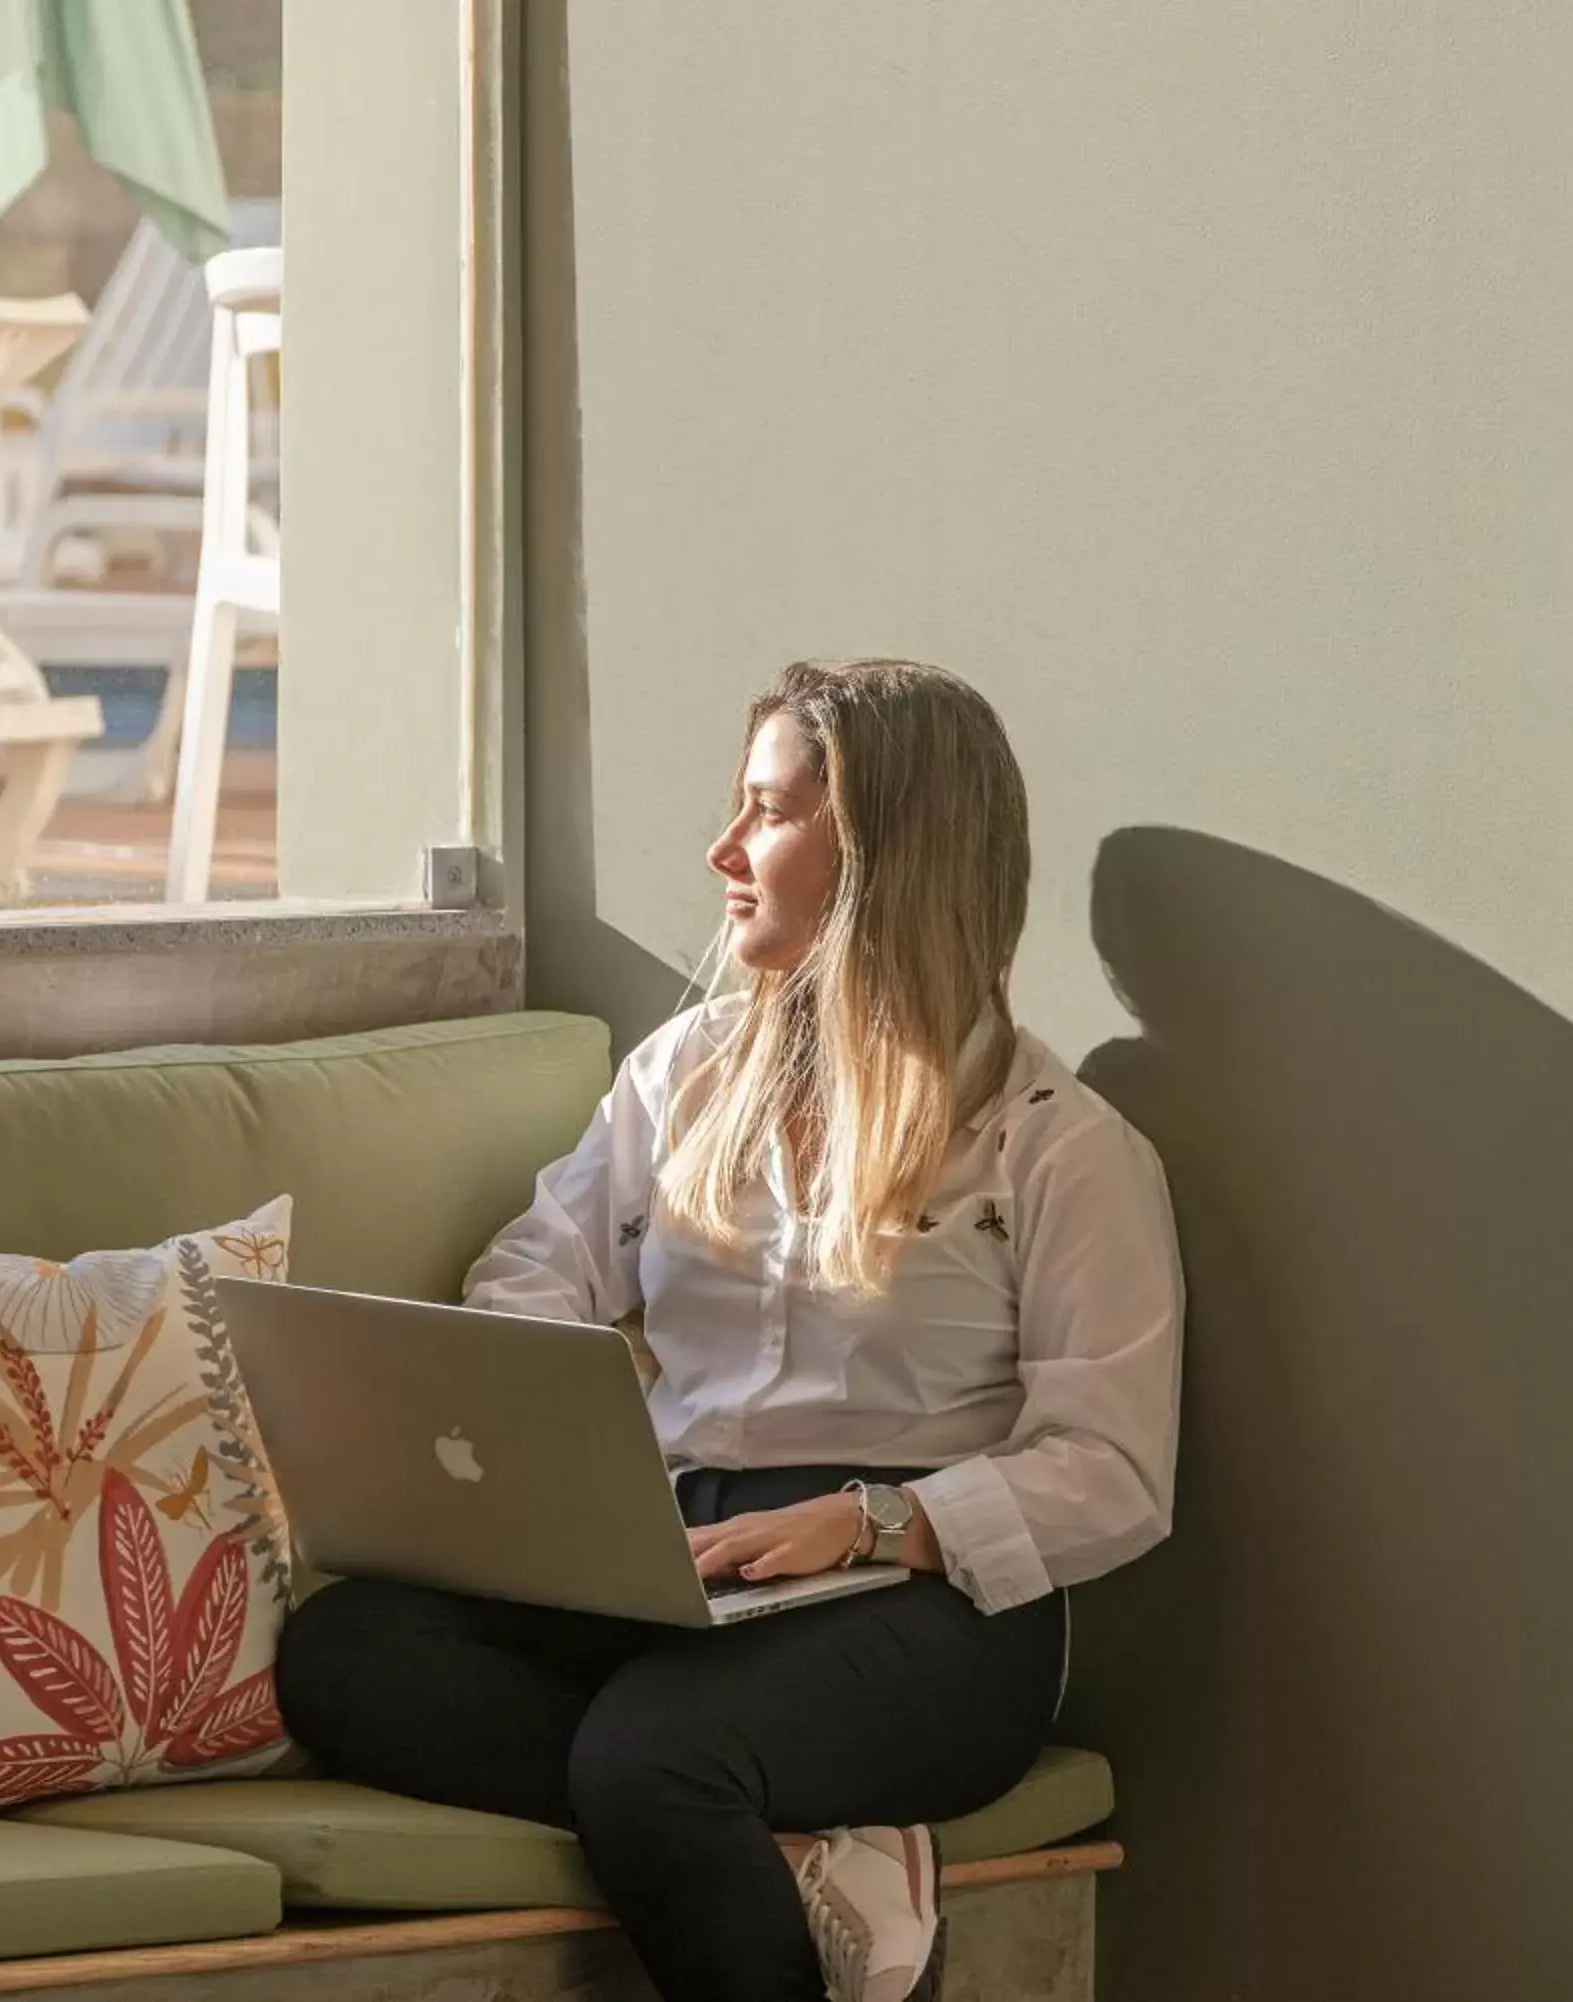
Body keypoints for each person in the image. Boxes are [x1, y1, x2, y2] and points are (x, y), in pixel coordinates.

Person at [276, 659, 1186, 2002]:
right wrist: (572, 1450)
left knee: (652, 1758)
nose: (721, 849)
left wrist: (875, 1519)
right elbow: (533, 1266)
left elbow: (1112, 1471)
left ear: (881, 854)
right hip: (678, 1557)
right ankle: (812, 1850)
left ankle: (709, 1807)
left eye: (765, 813)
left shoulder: (1060, 1150)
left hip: (920, 1606)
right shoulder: (687, 1071)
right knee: (344, 1653)